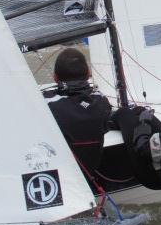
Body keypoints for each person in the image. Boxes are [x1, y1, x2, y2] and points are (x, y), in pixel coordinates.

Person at [43, 48, 111, 180]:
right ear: (89, 74)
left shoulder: (46, 104)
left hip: (62, 176)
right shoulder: (101, 101)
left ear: (55, 77)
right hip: (91, 172)